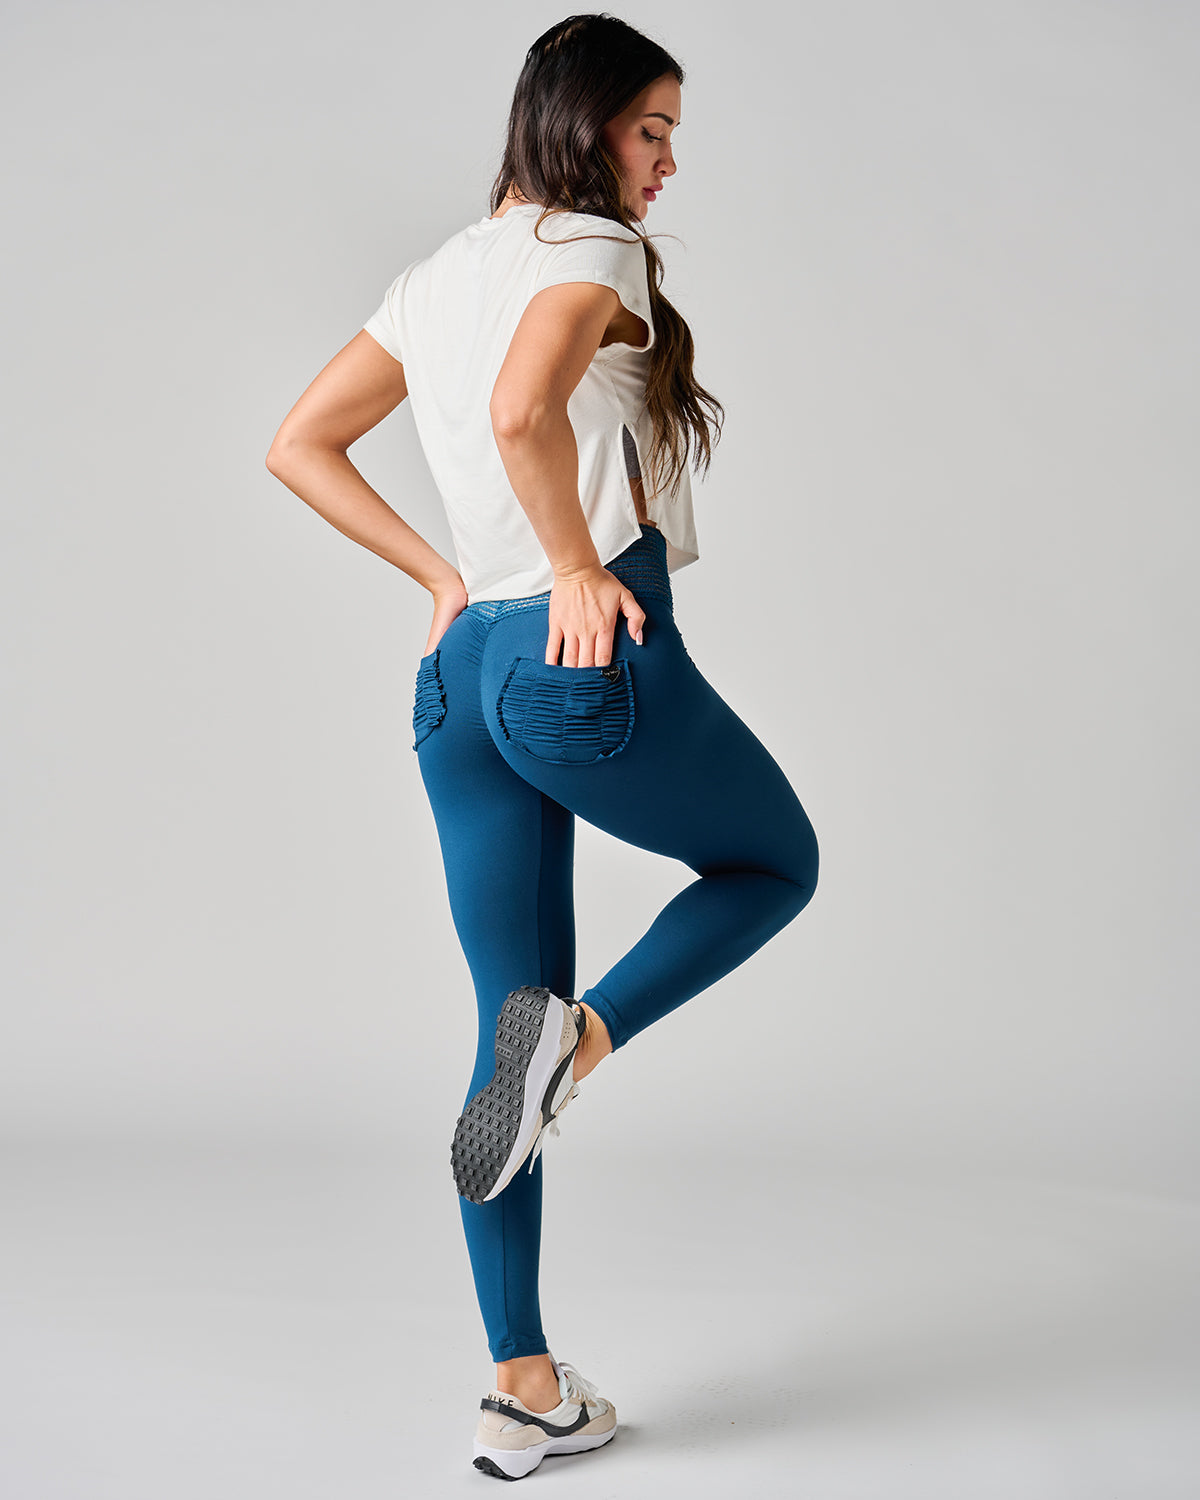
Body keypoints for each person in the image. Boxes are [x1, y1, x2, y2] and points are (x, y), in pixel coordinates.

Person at [266, 12, 819, 1482]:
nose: (668, 165)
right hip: (580, 657)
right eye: (652, 132)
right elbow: (523, 412)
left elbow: (299, 442)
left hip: (461, 682)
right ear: (581, 127)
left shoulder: (438, 273)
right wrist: (575, 563)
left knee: (495, 1025)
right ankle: (584, 1040)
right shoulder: (594, 250)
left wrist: (447, 582)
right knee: (776, 861)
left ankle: (523, 1388)